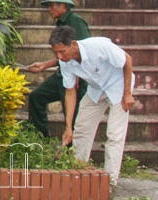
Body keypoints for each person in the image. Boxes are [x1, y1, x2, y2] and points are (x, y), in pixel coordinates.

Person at [49, 25, 135, 189]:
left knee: (114, 135)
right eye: (56, 53)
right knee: (81, 128)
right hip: (96, 90)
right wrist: (68, 127)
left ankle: (110, 182)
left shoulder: (99, 46)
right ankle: (76, 174)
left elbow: (127, 60)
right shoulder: (66, 63)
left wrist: (127, 94)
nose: (59, 57)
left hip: (119, 86)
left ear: (73, 44)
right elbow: (70, 92)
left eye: (62, 52)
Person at [27, 0, 90, 137]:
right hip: (62, 73)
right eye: (48, 6)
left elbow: (83, 50)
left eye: (52, 5)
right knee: (36, 97)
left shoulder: (76, 21)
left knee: (72, 116)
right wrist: (44, 65)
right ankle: (41, 138)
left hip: (76, 77)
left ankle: (72, 153)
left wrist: (79, 77)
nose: (49, 9)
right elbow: (63, 55)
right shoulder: (60, 23)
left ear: (63, 5)